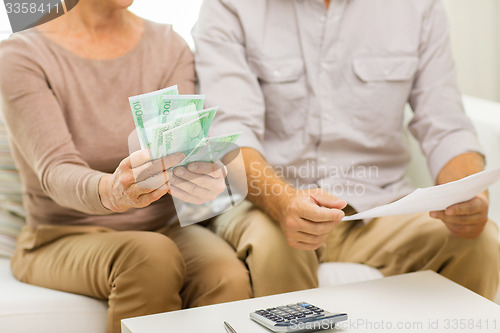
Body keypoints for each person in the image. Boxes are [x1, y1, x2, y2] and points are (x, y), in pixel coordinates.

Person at [192, 0, 500, 300]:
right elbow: (231, 139)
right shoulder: (229, 5)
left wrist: (467, 196)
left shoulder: (418, 7)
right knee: (274, 247)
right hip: (268, 204)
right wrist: (285, 203)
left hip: (379, 205)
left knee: (479, 241)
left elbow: (445, 125)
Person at [0, 1, 252, 332]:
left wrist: (202, 172)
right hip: (61, 235)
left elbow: (180, 152)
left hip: (162, 227)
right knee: (151, 256)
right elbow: (54, 170)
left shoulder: (168, 45)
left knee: (226, 275)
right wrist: (112, 191)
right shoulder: (21, 54)